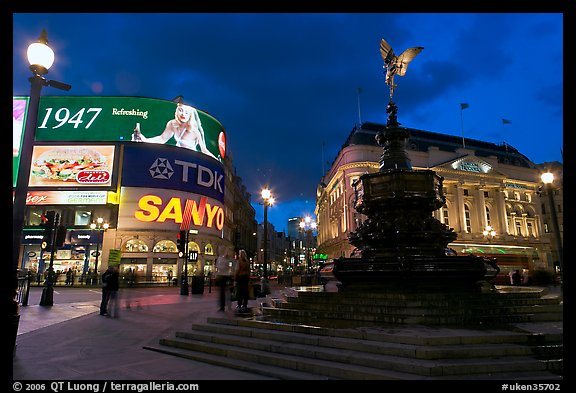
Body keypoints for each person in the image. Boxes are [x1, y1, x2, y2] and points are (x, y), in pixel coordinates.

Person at [131, 103, 218, 160]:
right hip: (177, 157)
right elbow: (162, 139)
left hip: (190, 160)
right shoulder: (172, 124)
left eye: (186, 112)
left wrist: (216, 161)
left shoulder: (195, 131)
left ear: (190, 115)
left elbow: (204, 150)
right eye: (181, 110)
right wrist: (145, 139)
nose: (183, 114)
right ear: (177, 111)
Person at [214, 246, 234, 311]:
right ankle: (222, 306)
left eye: (220, 250)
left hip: (226, 276)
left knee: (226, 292)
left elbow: (230, 267)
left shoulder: (227, 258)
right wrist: (216, 274)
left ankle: (228, 304)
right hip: (221, 276)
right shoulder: (219, 258)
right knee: (222, 292)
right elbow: (217, 267)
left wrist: (230, 274)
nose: (219, 251)